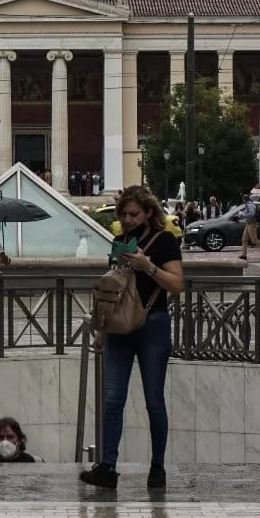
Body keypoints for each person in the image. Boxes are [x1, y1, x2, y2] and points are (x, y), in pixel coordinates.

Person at [80, 186, 184, 491]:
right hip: (118, 328)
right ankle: (108, 467)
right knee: (112, 400)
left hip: (153, 325)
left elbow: (178, 285)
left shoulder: (164, 241)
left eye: (134, 214)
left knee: (154, 400)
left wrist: (147, 266)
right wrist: (101, 330)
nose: (127, 219)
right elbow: (113, 291)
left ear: (149, 213)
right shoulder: (118, 242)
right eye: (123, 214)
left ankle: (158, 466)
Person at [239, 195, 260, 261]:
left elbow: (252, 214)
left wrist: (243, 215)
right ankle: (244, 255)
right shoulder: (248, 205)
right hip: (248, 224)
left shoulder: (250, 205)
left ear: (244, 199)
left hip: (252, 224)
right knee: (244, 239)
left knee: (254, 240)